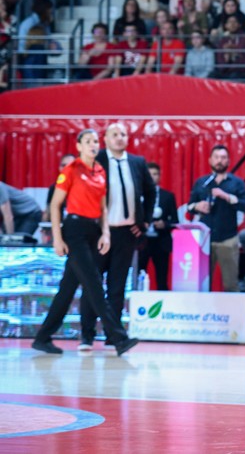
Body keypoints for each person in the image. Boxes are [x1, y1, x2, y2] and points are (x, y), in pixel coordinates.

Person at [32, 129, 139, 356]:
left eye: (95, 141)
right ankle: (119, 338)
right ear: (79, 146)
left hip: (93, 229)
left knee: (68, 288)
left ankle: (42, 337)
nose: (93, 145)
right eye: (88, 141)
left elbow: (103, 208)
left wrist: (106, 233)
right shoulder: (71, 170)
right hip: (75, 230)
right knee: (94, 282)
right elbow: (54, 205)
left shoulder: (100, 171)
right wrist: (57, 238)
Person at [80, 123, 156, 351]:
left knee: (117, 286)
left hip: (125, 233)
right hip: (99, 233)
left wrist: (144, 221)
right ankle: (87, 335)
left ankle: (113, 336)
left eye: (123, 134)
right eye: (114, 134)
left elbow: (151, 192)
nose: (119, 138)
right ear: (105, 138)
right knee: (92, 284)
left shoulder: (137, 162)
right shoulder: (97, 159)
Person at [188, 145, 245, 292]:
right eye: (216, 157)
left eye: (223, 158)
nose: (219, 161)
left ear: (228, 161)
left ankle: (233, 314)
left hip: (228, 239)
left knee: (230, 284)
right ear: (210, 160)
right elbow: (189, 206)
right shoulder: (201, 182)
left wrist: (226, 196)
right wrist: (197, 206)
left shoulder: (236, 183)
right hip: (204, 239)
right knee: (201, 284)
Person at [140, 162, 178, 291]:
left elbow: (175, 220)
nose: (152, 177)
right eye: (149, 174)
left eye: (155, 174)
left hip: (161, 242)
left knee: (162, 279)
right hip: (141, 242)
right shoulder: (138, 195)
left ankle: (164, 308)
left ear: (160, 177)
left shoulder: (168, 196)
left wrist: (164, 224)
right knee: (138, 276)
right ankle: (136, 305)